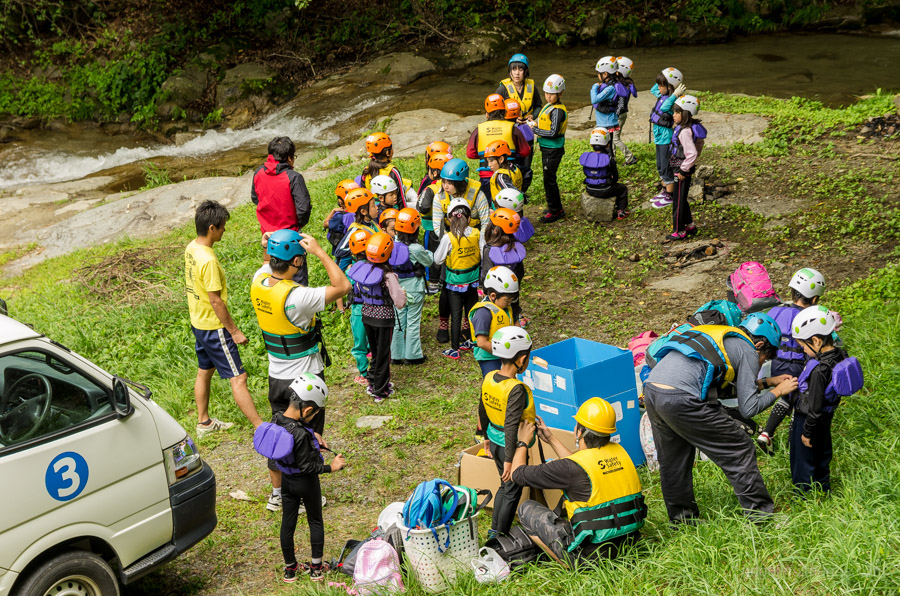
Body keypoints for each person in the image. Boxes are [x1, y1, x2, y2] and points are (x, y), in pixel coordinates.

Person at [643, 312, 799, 523]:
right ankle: (760, 516)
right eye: (765, 359)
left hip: (653, 390)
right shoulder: (748, 350)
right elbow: (749, 408)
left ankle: (682, 521)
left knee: (673, 459)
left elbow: (717, 388)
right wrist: (779, 391)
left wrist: (767, 382)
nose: (761, 363)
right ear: (760, 344)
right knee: (739, 447)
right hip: (681, 397)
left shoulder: (720, 335)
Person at [251, 229, 351, 512]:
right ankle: (308, 497)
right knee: (306, 439)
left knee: (278, 432)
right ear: (296, 260)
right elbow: (342, 286)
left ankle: (277, 493)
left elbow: (266, 264)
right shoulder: (298, 297)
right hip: (304, 379)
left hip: (276, 374)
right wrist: (320, 252)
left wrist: (269, 247)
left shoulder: (258, 281)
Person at [511, 399, 646, 562]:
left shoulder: (570, 469)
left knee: (526, 509)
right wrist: (550, 438)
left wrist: (522, 441)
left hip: (592, 557)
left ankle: (569, 563)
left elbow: (517, 474)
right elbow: (582, 464)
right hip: (629, 542)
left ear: (579, 432)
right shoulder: (620, 452)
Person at [184, 200, 262, 439]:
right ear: (211, 228)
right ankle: (261, 427)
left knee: (204, 371)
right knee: (239, 377)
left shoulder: (191, 248)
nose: (224, 230)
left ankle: (204, 423)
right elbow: (216, 301)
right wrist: (234, 331)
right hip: (213, 326)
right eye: (222, 226)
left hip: (198, 322)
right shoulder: (208, 260)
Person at [273, 374, 346, 583]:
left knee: (288, 523)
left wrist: (312, 434)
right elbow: (307, 467)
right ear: (307, 410)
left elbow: (292, 431)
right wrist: (331, 467)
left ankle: (290, 570)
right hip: (306, 483)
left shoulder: (277, 418)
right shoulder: (302, 435)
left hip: (286, 481)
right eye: (313, 414)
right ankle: (316, 569)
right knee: (315, 520)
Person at [789, 306, 860, 493]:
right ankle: (823, 489)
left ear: (816, 340)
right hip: (826, 418)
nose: (803, 350)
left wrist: (807, 432)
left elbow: (814, 405)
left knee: (802, 459)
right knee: (822, 455)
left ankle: (803, 497)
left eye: (803, 346)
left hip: (808, 420)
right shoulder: (839, 355)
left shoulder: (820, 370)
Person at [757, 268, 827, 450]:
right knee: (798, 401)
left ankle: (768, 433)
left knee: (788, 397)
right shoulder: (809, 318)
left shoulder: (775, 311)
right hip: (800, 367)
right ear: (814, 299)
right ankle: (789, 440)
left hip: (776, 366)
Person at [478, 325, 535, 538]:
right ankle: (499, 536)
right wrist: (512, 459)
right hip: (509, 445)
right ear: (521, 359)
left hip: (494, 439)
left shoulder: (490, 377)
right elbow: (512, 425)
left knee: (505, 486)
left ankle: (495, 529)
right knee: (512, 490)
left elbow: (482, 408)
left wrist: (485, 437)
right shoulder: (516, 388)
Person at [348, 232, 407, 402]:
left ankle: (372, 382)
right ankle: (380, 390)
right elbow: (399, 302)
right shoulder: (389, 276)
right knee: (383, 354)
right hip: (383, 319)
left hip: (366, 315)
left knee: (374, 352)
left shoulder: (362, 270)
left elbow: (358, 291)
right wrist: (403, 295)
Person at [251, 136, 313, 286]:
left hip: (268, 237)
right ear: (290, 158)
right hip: (290, 237)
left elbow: (255, 198)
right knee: (297, 279)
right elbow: (303, 209)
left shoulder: (258, 173)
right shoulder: (294, 178)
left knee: (273, 273)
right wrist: (298, 225)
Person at [434, 199, 481, 360]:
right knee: (471, 312)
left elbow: (438, 259)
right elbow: (481, 252)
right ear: (469, 218)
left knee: (456, 316)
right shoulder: (476, 233)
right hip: (473, 280)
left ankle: (454, 348)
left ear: (450, 219)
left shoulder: (449, 238)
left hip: (455, 283)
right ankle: (470, 340)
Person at [467, 94, 531, 202]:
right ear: (505, 112)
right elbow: (526, 151)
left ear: (487, 114)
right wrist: (511, 153)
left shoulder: (479, 130)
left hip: (486, 176)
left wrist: (486, 155)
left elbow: (470, 153)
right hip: (507, 174)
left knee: (488, 207)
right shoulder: (513, 129)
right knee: (510, 204)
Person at [390, 208, 433, 366]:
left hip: (397, 289)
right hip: (414, 289)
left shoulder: (392, 245)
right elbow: (429, 261)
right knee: (413, 322)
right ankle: (413, 355)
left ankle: (396, 354)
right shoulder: (415, 248)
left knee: (398, 322)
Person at [497, 52, 542, 192]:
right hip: (510, 131)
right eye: (514, 69)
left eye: (520, 69)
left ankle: (523, 191)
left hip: (526, 130)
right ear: (510, 71)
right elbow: (495, 111)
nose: (517, 73)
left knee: (526, 160)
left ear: (525, 71)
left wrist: (532, 116)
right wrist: (510, 118)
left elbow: (539, 105)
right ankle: (510, 189)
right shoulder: (502, 88)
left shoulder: (532, 86)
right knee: (510, 160)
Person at [665, 95, 706, 241]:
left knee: (678, 201)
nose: (673, 115)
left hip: (681, 172)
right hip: (681, 169)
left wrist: (683, 169)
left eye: (677, 112)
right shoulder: (687, 128)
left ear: (686, 114)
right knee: (681, 198)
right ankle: (690, 225)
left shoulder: (684, 132)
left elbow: (692, 153)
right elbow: (697, 147)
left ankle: (679, 230)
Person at [528, 74, 568, 224]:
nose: (549, 97)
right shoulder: (548, 107)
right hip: (547, 149)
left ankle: (555, 211)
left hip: (553, 150)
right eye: (547, 93)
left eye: (552, 94)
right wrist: (534, 122)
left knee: (549, 180)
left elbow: (553, 132)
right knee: (548, 179)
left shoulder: (557, 111)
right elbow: (544, 123)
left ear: (560, 94)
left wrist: (535, 131)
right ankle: (555, 207)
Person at [481, 208, 527, 326]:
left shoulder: (490, 250)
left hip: (495, 297)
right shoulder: (517, 249)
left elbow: (485, 274)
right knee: (514, 316)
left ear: (495, 230)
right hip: (513, 294)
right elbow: (520, 271)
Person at [468, 266, 518, 377]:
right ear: (493, 296)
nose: (509, 303)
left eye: (511, 300)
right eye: (507, 300)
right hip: (490, 357)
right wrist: (504, 353)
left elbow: (516, 324)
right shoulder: (484, 313)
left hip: (506, 354)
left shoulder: (507, 308)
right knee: (494, 382)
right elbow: (481, 342)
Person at [649, 68, 686, 209]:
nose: (658, 88)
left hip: (666, 138)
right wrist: (664, 75)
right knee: (660, 165)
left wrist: (674, 92)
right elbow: (653, 89)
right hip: (659, 138)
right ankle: (665, 191)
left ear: (669, 87)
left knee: (665, 167)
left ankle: (670, 195)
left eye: (661, 85)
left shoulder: (672, 100)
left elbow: (664, 108)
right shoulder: (662, 94)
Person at [417, 151, 452, 294]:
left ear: (436, 172)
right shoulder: (456, 184)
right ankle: (446, 279)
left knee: (432, 254)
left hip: (432, 227)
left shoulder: (431, 188)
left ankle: (433, 283)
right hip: (451, 227)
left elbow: (422, 207)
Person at [579, 127, 630, 220]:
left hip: (590, 189)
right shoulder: (609, 159)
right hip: (606, 189)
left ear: (591, 144)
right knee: (623, 189)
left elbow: (585, 172)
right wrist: (611, 181)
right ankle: (621, 211)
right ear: (607, 144)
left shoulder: (586, 158)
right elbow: (615, 177)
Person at [346, 228, 374, 387]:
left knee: (359, 345)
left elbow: (346, 286)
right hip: (373, 309)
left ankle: (364, 374)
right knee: (373, 341)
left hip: (358, 311)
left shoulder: (350, 270)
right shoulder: (376, 268)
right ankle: (375, 368)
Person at [360, 132, 415, 208]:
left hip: (374, 212)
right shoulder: (392, 171)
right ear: (387, 152)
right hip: (392, 212)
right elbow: (401, 198)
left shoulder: (366, 171)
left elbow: (364, 197)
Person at [332, 188, 381, 271]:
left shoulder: (371, 223)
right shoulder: (356, 230)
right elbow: (339, 251)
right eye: (373, 205)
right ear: (363, 211)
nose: (377, 208)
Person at [590, 56, 628, 155]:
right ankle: (609, 163)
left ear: (605, 74)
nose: (598, 76)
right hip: (607, 121)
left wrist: (594, 87)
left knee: (606, 147)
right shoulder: (613, 84)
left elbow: (594, 99)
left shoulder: (610, 88)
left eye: (599, 74)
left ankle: (609, 165)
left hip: (606, 123)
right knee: (608, 145)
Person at [614, 56, 638, 166]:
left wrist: (615, 114)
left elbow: (620, 103)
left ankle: (630, 158)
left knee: (615, 138)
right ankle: (611, 157)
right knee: (612, 137)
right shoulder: (628, 82)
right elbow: (635, 94)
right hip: (622, 114)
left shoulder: (619, 85)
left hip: (618, 115)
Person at [486, 140, 524, 206]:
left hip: (505, 209)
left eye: (491, 161)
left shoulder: (501, 177)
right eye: (488, 161)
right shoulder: (514, 168)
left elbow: (510, 194)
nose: (489, 165)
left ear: (501, 159)